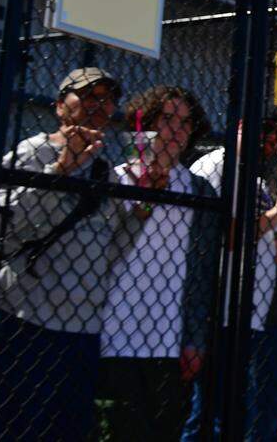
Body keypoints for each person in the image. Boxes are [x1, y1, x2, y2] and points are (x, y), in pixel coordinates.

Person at [0, 67, 157, 441]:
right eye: (88, 95)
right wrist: (59, 170)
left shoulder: (104, 169)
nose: (99, 104)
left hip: (83, 329)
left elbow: (112, 249)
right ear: (61, 106)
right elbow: (2, 230)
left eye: (107, 98)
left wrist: (142, 211)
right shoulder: (34, 151)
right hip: (29, 319)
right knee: (13, 425)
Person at [179, 129, 277, 442]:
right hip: (234, 312)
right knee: (214, 412)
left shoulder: (258, 185)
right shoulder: (224, 170)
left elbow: (271, 250)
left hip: (259, 317)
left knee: (254, 410)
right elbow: (230, 236)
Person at [98, 85, 212, 440]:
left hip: (167, 340)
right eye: (167, 119)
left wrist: (194, 338)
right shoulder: (115, 177)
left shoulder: (199, 189)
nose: (177, 129)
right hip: (112, 337)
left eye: (185, 121)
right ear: (147, 122)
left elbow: (200, 272)